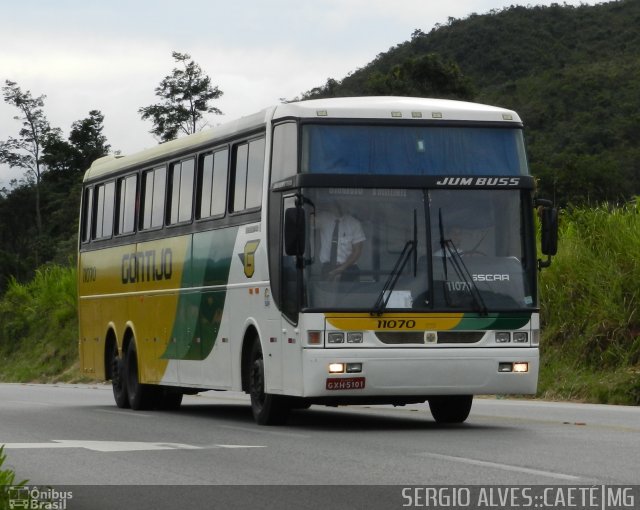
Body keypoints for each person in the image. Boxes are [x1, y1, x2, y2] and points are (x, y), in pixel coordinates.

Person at [316, 199, 366, 281]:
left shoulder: (354, 223)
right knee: (326, 293)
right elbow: (307, 221)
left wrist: (341, 269)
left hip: (349, 268)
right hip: (328, 268)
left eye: (342, 204)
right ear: (331, 205)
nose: (339, 207)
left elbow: (357, 251)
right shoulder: (322, 218)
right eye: (336, 204)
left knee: (353, 293)